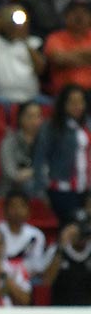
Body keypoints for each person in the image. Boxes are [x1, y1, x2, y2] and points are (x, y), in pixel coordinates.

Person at [33, 84, 91, 224]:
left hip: (84, 188)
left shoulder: (87, 125)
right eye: (72, 102)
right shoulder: (52, 127)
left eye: (80, 102)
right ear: (63, 104)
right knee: (70, 227)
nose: (77, 106)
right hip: (61, 188)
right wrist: (41, 189)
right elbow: (40, 158)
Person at [43, 0, 91, 93]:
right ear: (66, 16)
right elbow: (59, 59)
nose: (79, 16)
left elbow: (64, 58)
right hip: (64, 94)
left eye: (84, 12)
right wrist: (87, 57)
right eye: (74, 12)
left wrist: (69, 54)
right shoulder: (55, 37)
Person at [0, 189, 48, 276]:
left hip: (26, 277)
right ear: (5, 210)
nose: (17, 210)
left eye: (22, 206)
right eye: (13, 206)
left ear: (28, 210)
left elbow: (36, 266)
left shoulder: (36, 235)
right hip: (0, 276)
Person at [0, 102, 44, 196]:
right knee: (30, 185)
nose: (35, 121)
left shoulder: (45, 141)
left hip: (40, 186)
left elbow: (51, 169)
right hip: (11, 190)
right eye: (30, 116)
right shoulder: (9, 142)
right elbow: (10, 174)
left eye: (38, 116)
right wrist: (37, 171)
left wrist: (30, 172)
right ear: (20, 118)